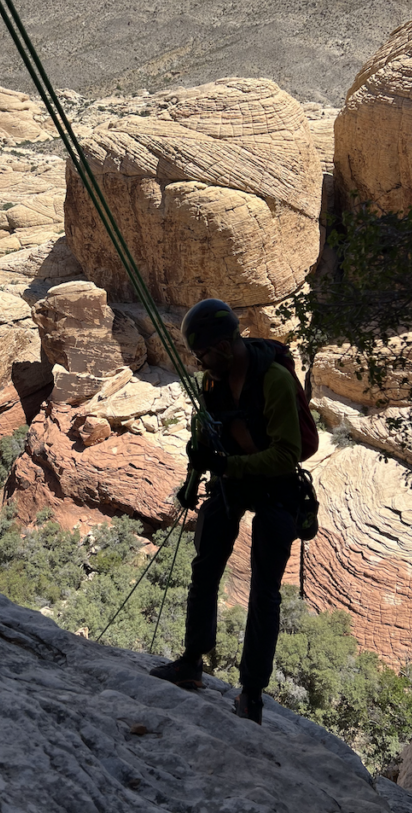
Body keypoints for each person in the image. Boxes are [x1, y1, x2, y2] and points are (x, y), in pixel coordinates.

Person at [149, 298, 302, 725]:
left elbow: (287, 454)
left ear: (221, 345)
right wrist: (191, 482)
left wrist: (226, 466)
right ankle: (191, 662)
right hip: (230, 482)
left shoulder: (272, 380)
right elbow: (205, 437)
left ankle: (250, 694)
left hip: (275, 487)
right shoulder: (212, 384)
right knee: (205, 566)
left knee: (264, 591)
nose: (199, 364)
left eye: (202, 355)